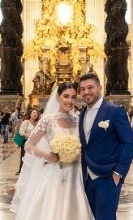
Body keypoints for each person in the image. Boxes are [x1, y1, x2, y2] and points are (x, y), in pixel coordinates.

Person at [10, 82, 90, 219]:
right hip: (55, 173)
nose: (69, 101)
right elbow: (29, 145)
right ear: (58, 97)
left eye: (73, 97)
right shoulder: (48, 120)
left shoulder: (79, 120)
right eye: (66, 96)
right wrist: (47, 156)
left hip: (76, 174)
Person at [79, 73, 133, 220]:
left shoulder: (114, 111)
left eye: (90, 87)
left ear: (99, 87)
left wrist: (118, 173)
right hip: (87, 178)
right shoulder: (82, 114)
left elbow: (129, 143)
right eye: (83, 89)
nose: (86, 92)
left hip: (108, 177)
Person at [16, 109, 39, 175]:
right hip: (26, 142)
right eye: (34, 112)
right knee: (24, 157)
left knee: (33, 157)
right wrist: (29, 136)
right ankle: (22, 171)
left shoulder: (37, 123)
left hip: (34, 143)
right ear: (30, 114)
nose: (35, 114)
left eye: (36, 113)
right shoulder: (26, 122)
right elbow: (21, 132)